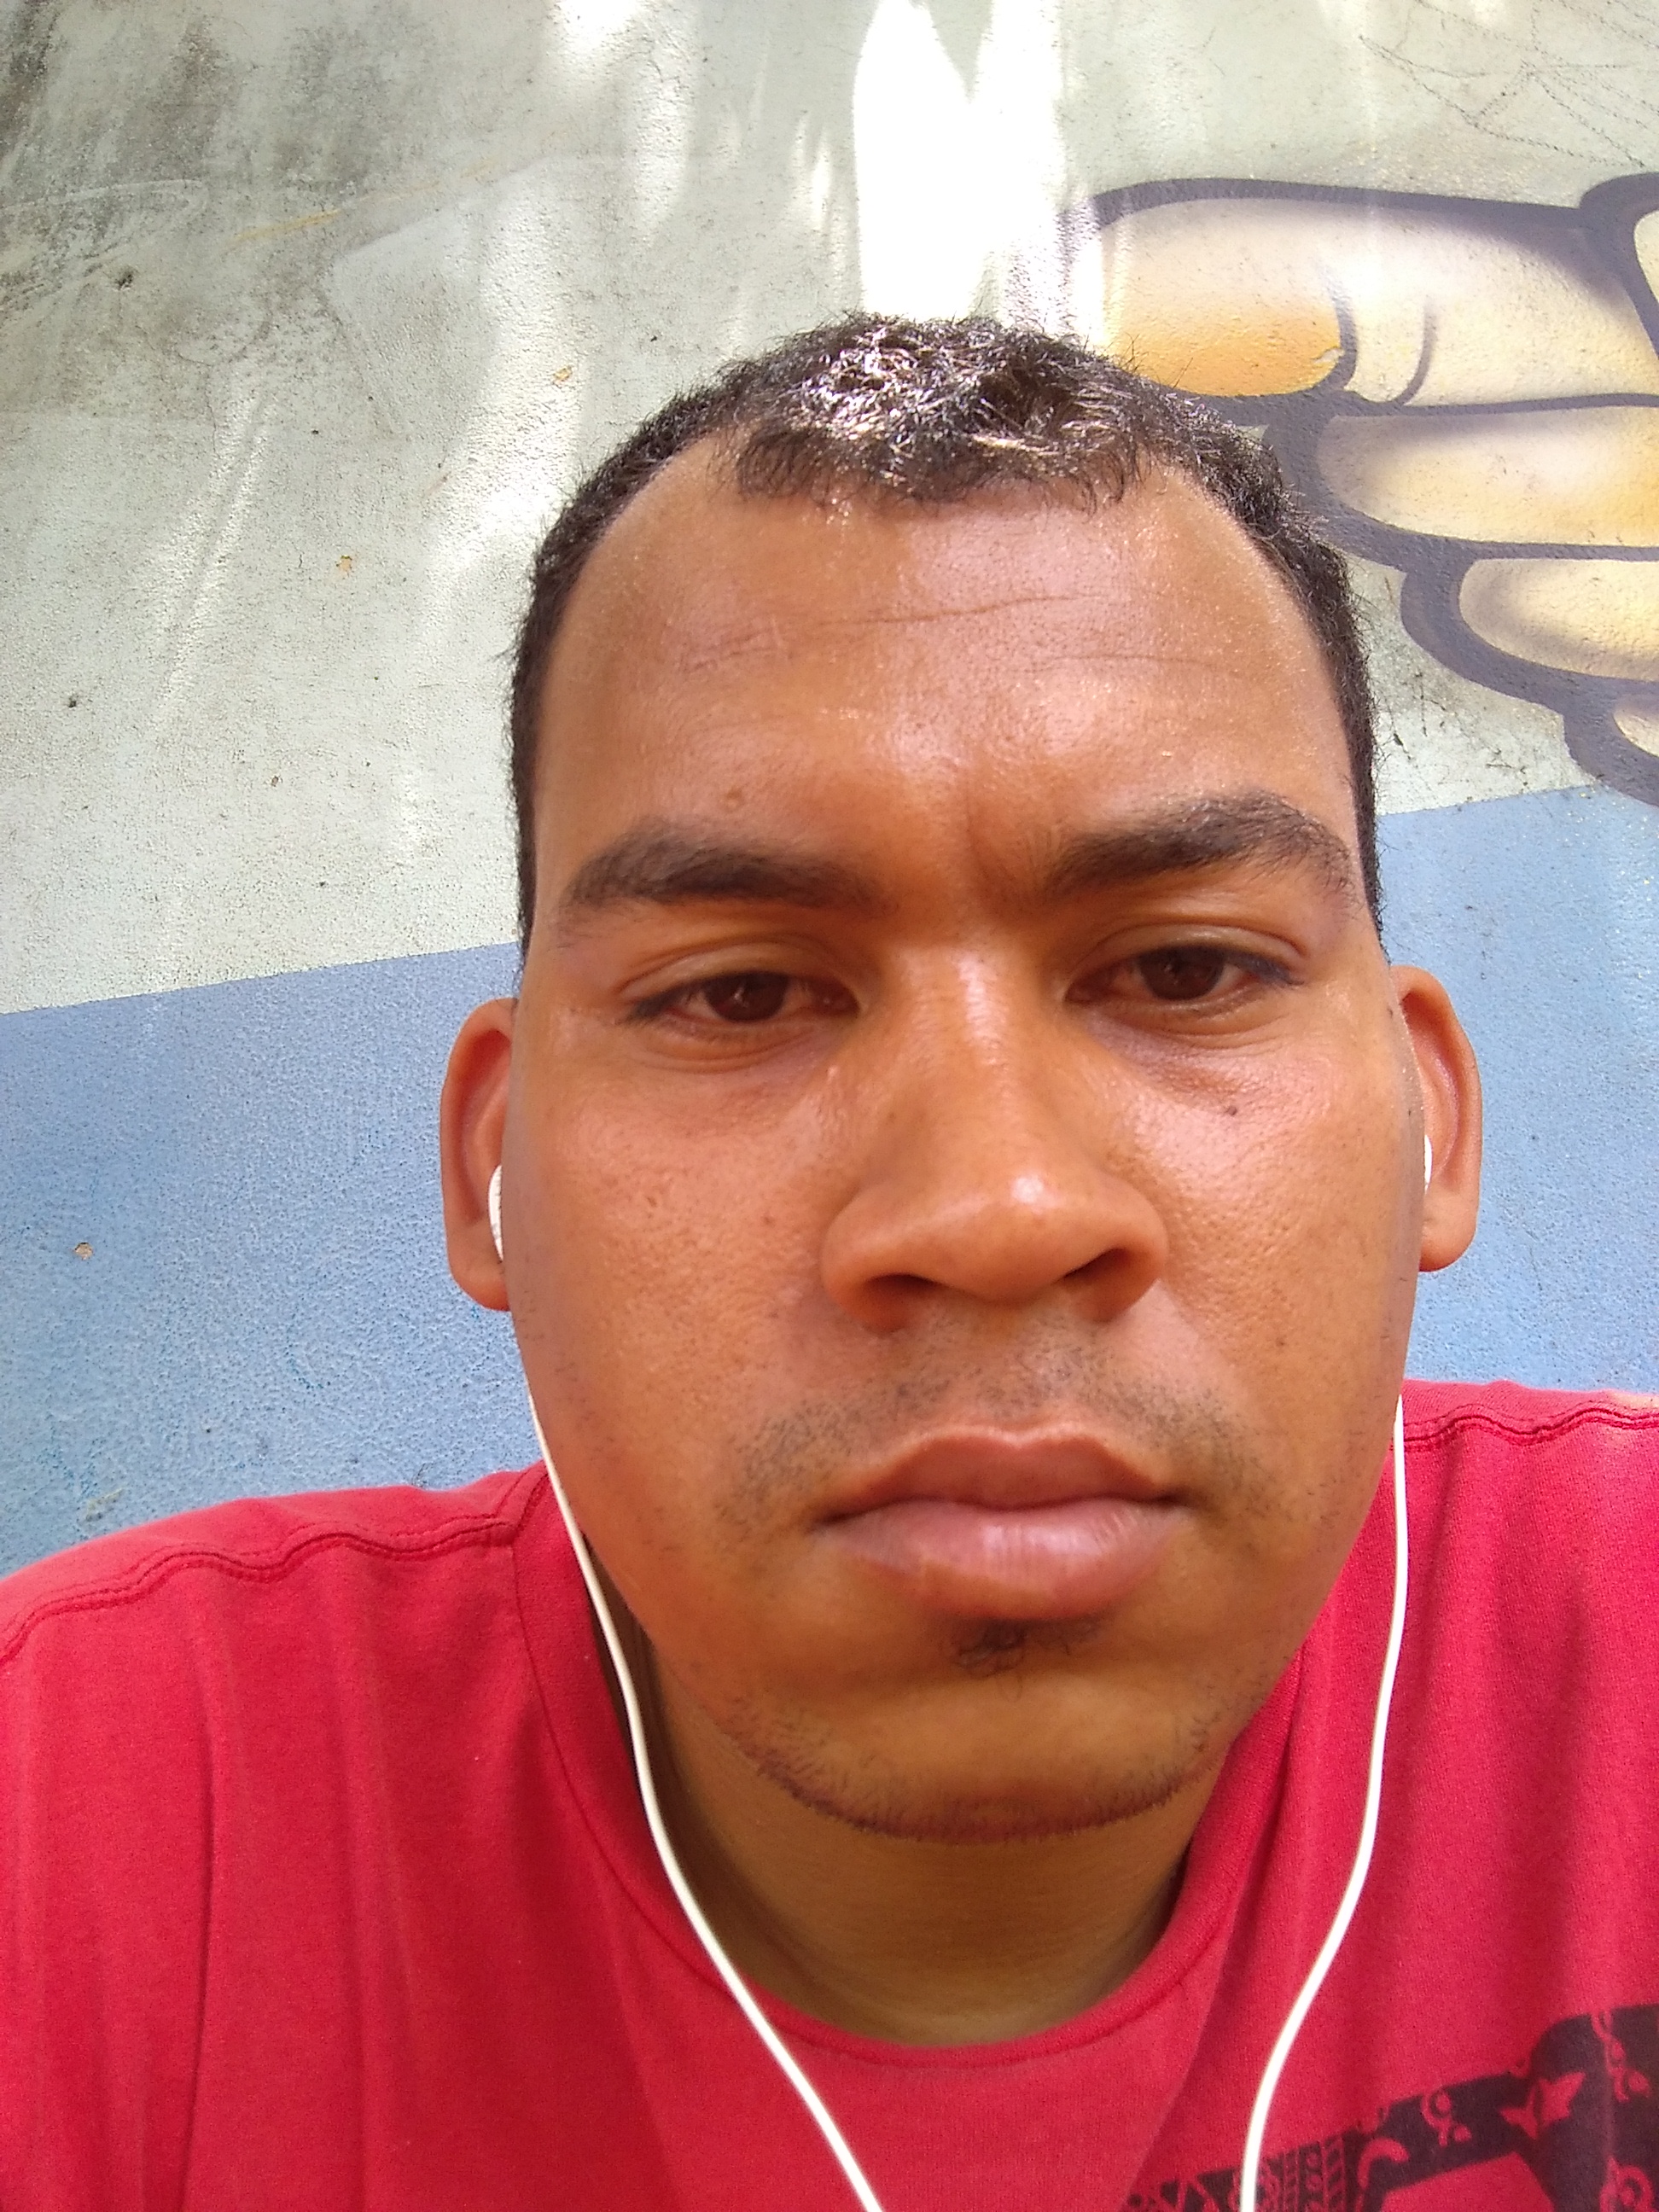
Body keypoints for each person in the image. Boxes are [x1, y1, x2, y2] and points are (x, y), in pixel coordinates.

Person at [3, 318, 1655, 2212]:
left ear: (1433, 1113)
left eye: (1186, 968)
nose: (998, 1210)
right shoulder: (87, 1823)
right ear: (490, 1169)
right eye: (741, 995)